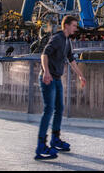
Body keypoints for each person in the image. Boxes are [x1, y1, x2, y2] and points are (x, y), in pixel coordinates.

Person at [35, 15, 86, 160]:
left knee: (59, 108)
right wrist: (46, 72)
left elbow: (71, 60)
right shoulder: (57, 38)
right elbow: (45, 54)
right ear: (67, 25)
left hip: (56, 79)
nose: (76, 29)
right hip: (48, 78)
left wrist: (81, 75)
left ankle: (55, 139)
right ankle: (41, 146)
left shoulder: (68, 41)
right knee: (49, 109)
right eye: (74, 26)